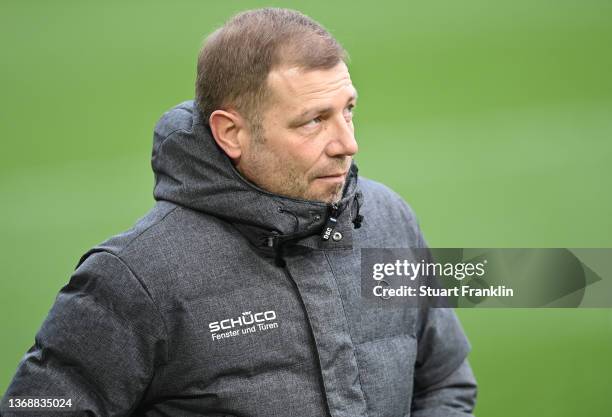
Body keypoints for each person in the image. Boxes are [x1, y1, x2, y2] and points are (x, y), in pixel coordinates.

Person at [1, 7, 477, 417]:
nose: (348, 144)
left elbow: (444, 380)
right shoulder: (133, 278)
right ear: (231, 133)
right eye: (313, 121)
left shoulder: (389, 218)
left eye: (347, 110)